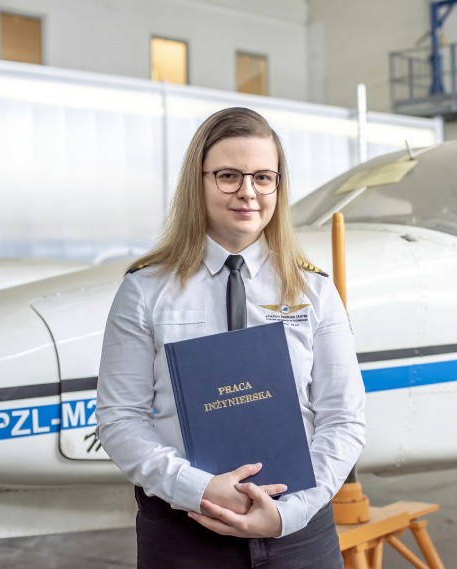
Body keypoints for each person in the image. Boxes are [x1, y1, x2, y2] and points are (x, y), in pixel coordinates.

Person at [96, 107, 366, 569]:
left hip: (298, 531)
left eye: (263, 177)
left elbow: (344, 417)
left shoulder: (314, 291)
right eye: (227, 176)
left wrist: (289, 513)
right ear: (197, 182)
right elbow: (119, 419)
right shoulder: (145, 290)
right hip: (185, 534)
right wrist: (198, 489)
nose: (248, 192)